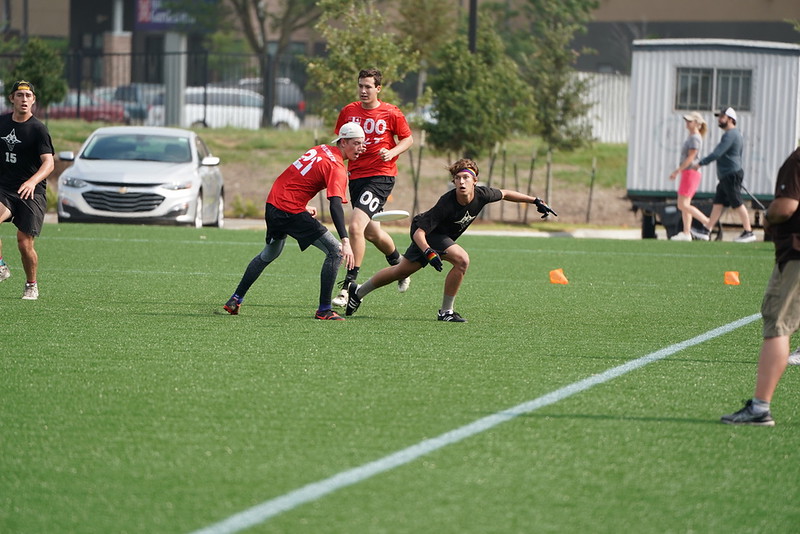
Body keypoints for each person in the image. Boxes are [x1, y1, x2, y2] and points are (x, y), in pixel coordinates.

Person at [343, 158, 556, 322]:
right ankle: (446, 312)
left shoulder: (483, 194)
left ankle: (358, 292)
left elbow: (507, 193)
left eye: (466, 178)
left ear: (475, 181)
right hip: (426, 233)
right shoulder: (447, 202)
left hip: (438, 237)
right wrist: (428, 252)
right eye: (458, 179)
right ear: (453, 181)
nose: (462, 182)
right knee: (462, 260)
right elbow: (419, 233)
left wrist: (535, 200)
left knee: (401, 271)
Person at [222, 123, 365, 320]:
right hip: (289, 210)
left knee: (269, 254)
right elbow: (335, 205)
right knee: (336, 251)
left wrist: (302, 205)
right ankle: (324, 310)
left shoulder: (320, 149)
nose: (360, 147)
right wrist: (346, 241)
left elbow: (295, 177)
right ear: (343, 141)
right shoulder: (337, 167)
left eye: (362, 143)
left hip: (274, 204)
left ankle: (235, 299)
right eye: (356, 143)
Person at [721, 146, 800, 426]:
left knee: (777, 325)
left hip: (796, 256)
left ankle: (759, 408)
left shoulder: (797, 160)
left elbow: (786, 207)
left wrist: (768, 217)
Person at [331, 68, 414, 307]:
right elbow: (341, 142)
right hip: (356, 176)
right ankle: (400, 266)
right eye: (360, 86)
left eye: (368, 86)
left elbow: (408, 139)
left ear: (378, 88)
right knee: (371, 233)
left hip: (381, 177)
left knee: (355, 227)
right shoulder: (349, 111)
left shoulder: (391, 112)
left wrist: (392, 153)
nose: (363, 90)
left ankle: (348, 286)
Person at [0, 80, 55, 300]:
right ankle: (1, 266)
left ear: (33, 100)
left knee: (24, 243)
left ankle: (31, 284)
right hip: (4, 188)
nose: (24, 100)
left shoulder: (38, 129)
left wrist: (32, 182)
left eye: (28, 96)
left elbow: (49, 164)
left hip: (31, 192)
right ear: (12, 98)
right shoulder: (2, 123)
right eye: (20, 95)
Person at [690, 107, 755, 243]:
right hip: (726, 176)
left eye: (722, 117)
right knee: (718, 203)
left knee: (737, 203)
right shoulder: (733, 134)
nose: (719, 119)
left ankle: (748, 232)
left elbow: (717, 153)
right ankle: (706, 230)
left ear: (731, 119)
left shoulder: (731, 134)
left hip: (731, 175)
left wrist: (700, 163)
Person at [668, 111, 710, 241]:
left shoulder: (695, 138)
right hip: (689, 173)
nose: (687, 123)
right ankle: (686, 233)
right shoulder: (692, 137)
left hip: (690, 172)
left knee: (682, 204)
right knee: (684, 204)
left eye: (690, 121)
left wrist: (677, 170)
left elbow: (691, 157)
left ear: (697, 124)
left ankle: (707, 222)